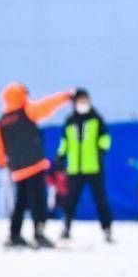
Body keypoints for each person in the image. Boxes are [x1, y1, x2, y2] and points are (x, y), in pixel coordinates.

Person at [0, 82, 76, 248]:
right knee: (38, 201)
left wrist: (0, 162)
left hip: (17, 169)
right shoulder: (27, 111)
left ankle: (14, 234)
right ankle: (39, 232)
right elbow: (48, 105)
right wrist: (66, 96)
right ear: (21, 95)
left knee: (20, 202)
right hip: (34, 165)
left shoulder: (1, 122)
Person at [57, 89, 114, 243]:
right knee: (70, 200)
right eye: (80, 100)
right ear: (74, 103)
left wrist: (102, 150)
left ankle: (107, 229)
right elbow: (65, 142)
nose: (83, 103)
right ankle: (66, 227)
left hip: (94, 167)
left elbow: (105, 138)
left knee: (100, 199)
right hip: (75, 168)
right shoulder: (69, 120)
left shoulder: (96, 119)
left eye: (85, 100)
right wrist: (60, 155)